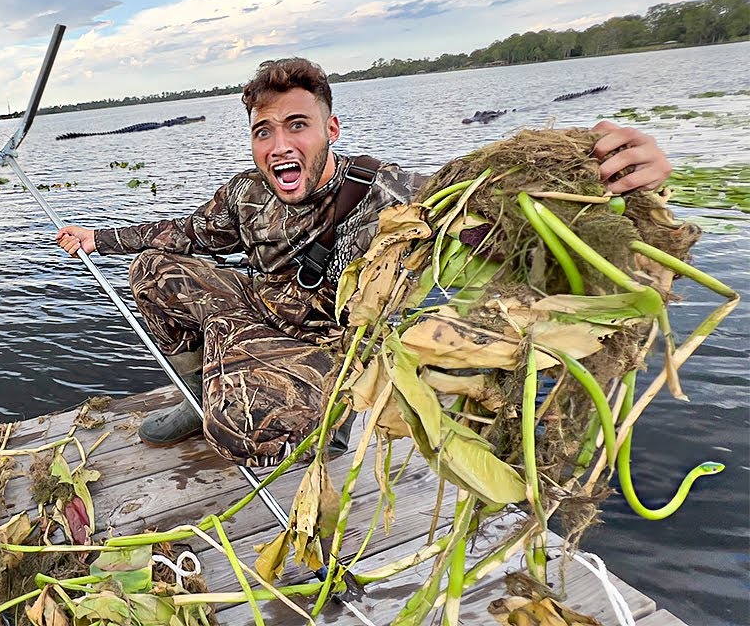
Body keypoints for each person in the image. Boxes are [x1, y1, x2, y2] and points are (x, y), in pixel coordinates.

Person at [55, 57, 672, 468]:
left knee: (244, 422)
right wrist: (98, 238)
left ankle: (324, 410)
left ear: (332, 128)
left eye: (297, 125)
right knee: (155, 271)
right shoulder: (244, 193)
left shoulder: (392, 190)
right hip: (260, 313)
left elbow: (495, 200)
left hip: (337, 343)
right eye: (262, 131)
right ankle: (199, 391)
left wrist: (624, 176)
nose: (278, 145)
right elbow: (186, 232)